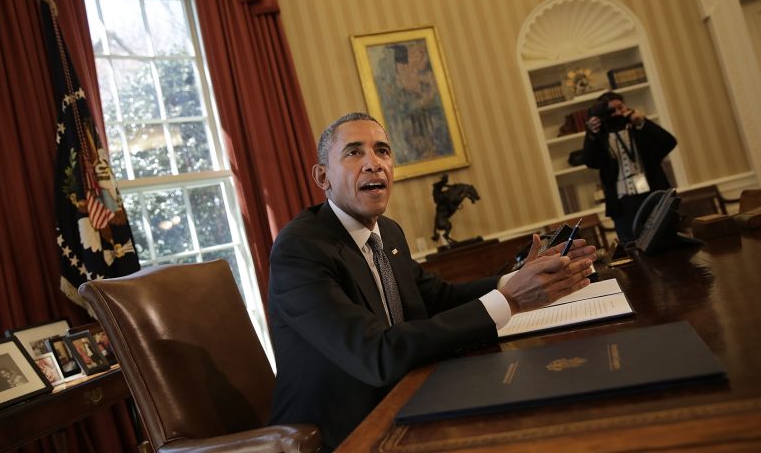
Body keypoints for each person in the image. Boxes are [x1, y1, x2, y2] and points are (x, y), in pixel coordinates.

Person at [268, 112, 596, 450]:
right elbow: (376, 354)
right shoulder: (300, 249)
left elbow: (437, 297)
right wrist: (511, 300)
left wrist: (516, 280)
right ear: (323, 176)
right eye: (354, 152)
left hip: (408, 396)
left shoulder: (389, 232)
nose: (373, 164)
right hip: (338, 433)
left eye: (382, 151)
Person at [583, 91, 677, 245]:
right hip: (622, 203)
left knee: (665, 242)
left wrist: (642, 122)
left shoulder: (638, 130)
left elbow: (669, 142)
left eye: (620, 107)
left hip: (652, 194)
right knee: (631, 246)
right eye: (611, 111)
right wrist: (592, 134)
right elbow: (590, 161)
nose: (618, 113)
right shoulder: (601, 138)